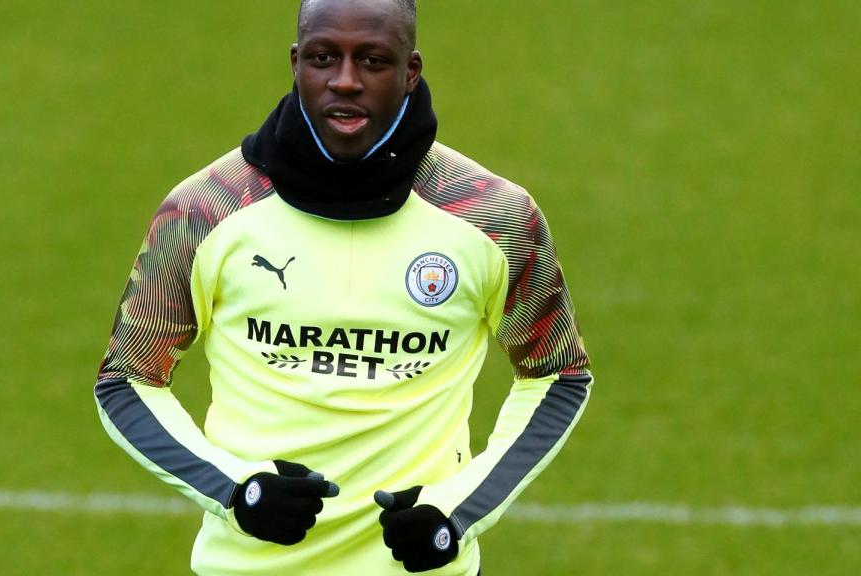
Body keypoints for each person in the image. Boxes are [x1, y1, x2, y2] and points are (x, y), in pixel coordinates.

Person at [94, 0, 592, 574]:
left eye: (373, 60)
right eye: (323, 58)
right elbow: (126, 381)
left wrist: (459, 510)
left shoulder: (493, 216)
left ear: (411, 71)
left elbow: (557, 376)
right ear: (296, 63)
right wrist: (234, 490)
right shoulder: (204, 211)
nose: (346, 81)